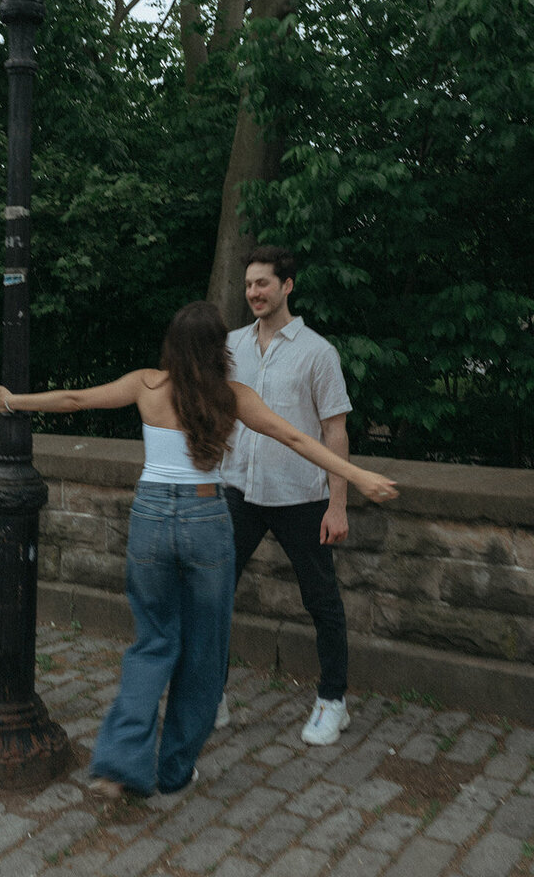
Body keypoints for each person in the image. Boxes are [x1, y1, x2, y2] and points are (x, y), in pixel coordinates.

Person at [0, 301, 397, 798]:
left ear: (173, 346)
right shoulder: (233, 396)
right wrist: (359, 477)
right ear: (219, 348)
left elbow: (76, 399)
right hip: (207, 519)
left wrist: (15, 401)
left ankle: (119, 764)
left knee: (153, 642)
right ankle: (174, 771)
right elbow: (296, 436)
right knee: (205, 651)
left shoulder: (146, 385)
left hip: (150, 519)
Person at [218, 245, 360, 745]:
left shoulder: (317, 352)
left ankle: (332, 701)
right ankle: (211, 691)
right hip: (238, 490)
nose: (254, 292)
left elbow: (334, 430)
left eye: (263, 283)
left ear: (287, 286)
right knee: (213, 594)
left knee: (321, 600)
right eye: (249, 284)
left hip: (301, 496)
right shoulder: (231, 345)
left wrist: (337, 503)